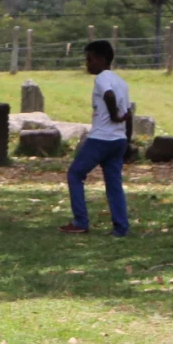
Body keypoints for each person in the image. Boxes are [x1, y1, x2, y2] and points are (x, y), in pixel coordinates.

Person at [60, 39, 131, 237]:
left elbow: (108, 96)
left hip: (101, 139)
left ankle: (80, 221)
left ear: (101, 59)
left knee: (75, 174)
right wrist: (128, 140)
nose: (87, 64)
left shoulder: (102, 79)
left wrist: (114, 115)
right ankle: (121, 227)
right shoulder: (122, 82)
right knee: (114, 183)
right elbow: (130, 113)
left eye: (89, 59)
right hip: (118, 140)